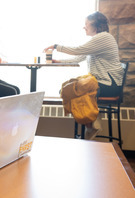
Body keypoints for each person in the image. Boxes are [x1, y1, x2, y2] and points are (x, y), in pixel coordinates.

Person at [44, 11, 124, 140]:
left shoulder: (104, 37)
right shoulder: (97, 40)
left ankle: (91, 123)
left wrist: (56, 46)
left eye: (86, 23)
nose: (84, 27)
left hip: (110, 84)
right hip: (100, 82)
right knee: (67, 89)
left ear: (95, 24)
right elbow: (80, 57)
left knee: (72, 89)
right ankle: (91, 122)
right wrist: (58, 62)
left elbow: (78, 50)